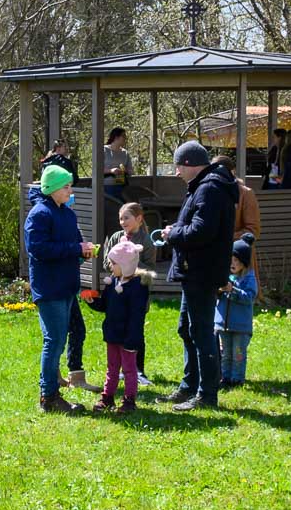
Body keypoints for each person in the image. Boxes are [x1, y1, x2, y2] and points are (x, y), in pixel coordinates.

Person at [156, 140, 236, 412]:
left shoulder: (209, 189)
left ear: (190, 164)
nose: (176, 172)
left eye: (178, 166)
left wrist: (173, 234)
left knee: (201, 332)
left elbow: (202, 231)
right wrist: (177, 229)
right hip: (194, 270)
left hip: (202, 271)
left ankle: (207, 394)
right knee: (187, 329)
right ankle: (189, 385)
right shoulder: (203, 186)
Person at [26, 164, 96, 414]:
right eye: (66, 186)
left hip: (66, 285)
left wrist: (83, 251)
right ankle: (49, 396)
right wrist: (75, 249)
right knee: (54, 341)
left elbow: (72, 243)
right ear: (53, 188)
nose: (70, 191)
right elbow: (38, 249)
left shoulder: (66, 213)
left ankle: (51, 391)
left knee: (58, 339)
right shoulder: (39, 214)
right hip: (49, 287)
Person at [94, 239, 152, 414]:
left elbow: (136, 317)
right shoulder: (113, 282)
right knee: (112, 368)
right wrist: (92, 301)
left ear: (126, 265)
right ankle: (107, 397)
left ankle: (129, 400)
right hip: (112, 334)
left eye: (114, 263)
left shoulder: (137, 288)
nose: (110, 266)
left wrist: (132, 339)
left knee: (129, 369)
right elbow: (104, 305)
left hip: (128, 337)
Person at [105, 202, 156, 386]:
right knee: (119, 329)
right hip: (118, 291)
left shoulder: (146, 241)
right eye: (120, 218)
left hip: (137, 291)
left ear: (139, 219)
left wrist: (130, 261)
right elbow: (107, 262)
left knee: (136, 330)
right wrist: (117, 261)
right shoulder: (116, 237)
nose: (122, 222)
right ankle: (120, 369)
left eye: (126, 218)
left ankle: (138, 369)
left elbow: (150, 269)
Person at [214, 155, 262, 286]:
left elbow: (253, 230)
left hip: (239, 258)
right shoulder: (211, 192)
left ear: (232, 172)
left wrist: (226, 238)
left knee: (242, 294)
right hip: (216, 255)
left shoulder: (245, 193)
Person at [218, 233, 258, 388]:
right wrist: (218, 290)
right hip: (223, 324)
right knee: (225, 353)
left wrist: (232, 290)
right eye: (231, 259)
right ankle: (225, 377)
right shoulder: (224, 276)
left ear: (244, 263)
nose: (232, 263)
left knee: (238, 354)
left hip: (240, 326)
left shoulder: (249, 278)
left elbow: (249, 297)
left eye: (237, 261)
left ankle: (237, 379)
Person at [101, 127, 134, 204]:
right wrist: (111, 171)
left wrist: (125, 171)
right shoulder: (104, 150)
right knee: (110, 207)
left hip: (121, 186)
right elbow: (96, 169)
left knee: (121, 206)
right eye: (123, 136)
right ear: (116, 137)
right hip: (106, 186)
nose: (125, 138)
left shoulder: (125, 153)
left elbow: (131, 171)